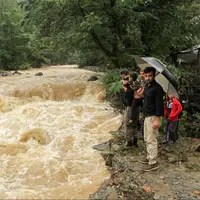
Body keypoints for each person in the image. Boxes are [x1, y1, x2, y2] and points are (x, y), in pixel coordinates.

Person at [138, 67, 165, 172]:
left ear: (154, 76)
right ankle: (149, 157)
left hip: (153, 116)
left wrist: (157, 118)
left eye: (150, 76)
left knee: (151, 139)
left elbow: (159, 104)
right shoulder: (147, 86)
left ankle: (153, 162)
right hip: (147, 115)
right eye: (146, 76)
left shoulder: (157, 88)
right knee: (146, 137)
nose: (148, 78)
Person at [120, 71, 139, 148]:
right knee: (135, 124)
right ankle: (135, 142)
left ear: (131, 78)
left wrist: (125, 88)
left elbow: (128, 94)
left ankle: (129, 142)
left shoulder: (132, 87)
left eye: (129, 77)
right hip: (137, 107)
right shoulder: (137, 85)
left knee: (128, 124)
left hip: (131, 107)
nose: (128, 78)